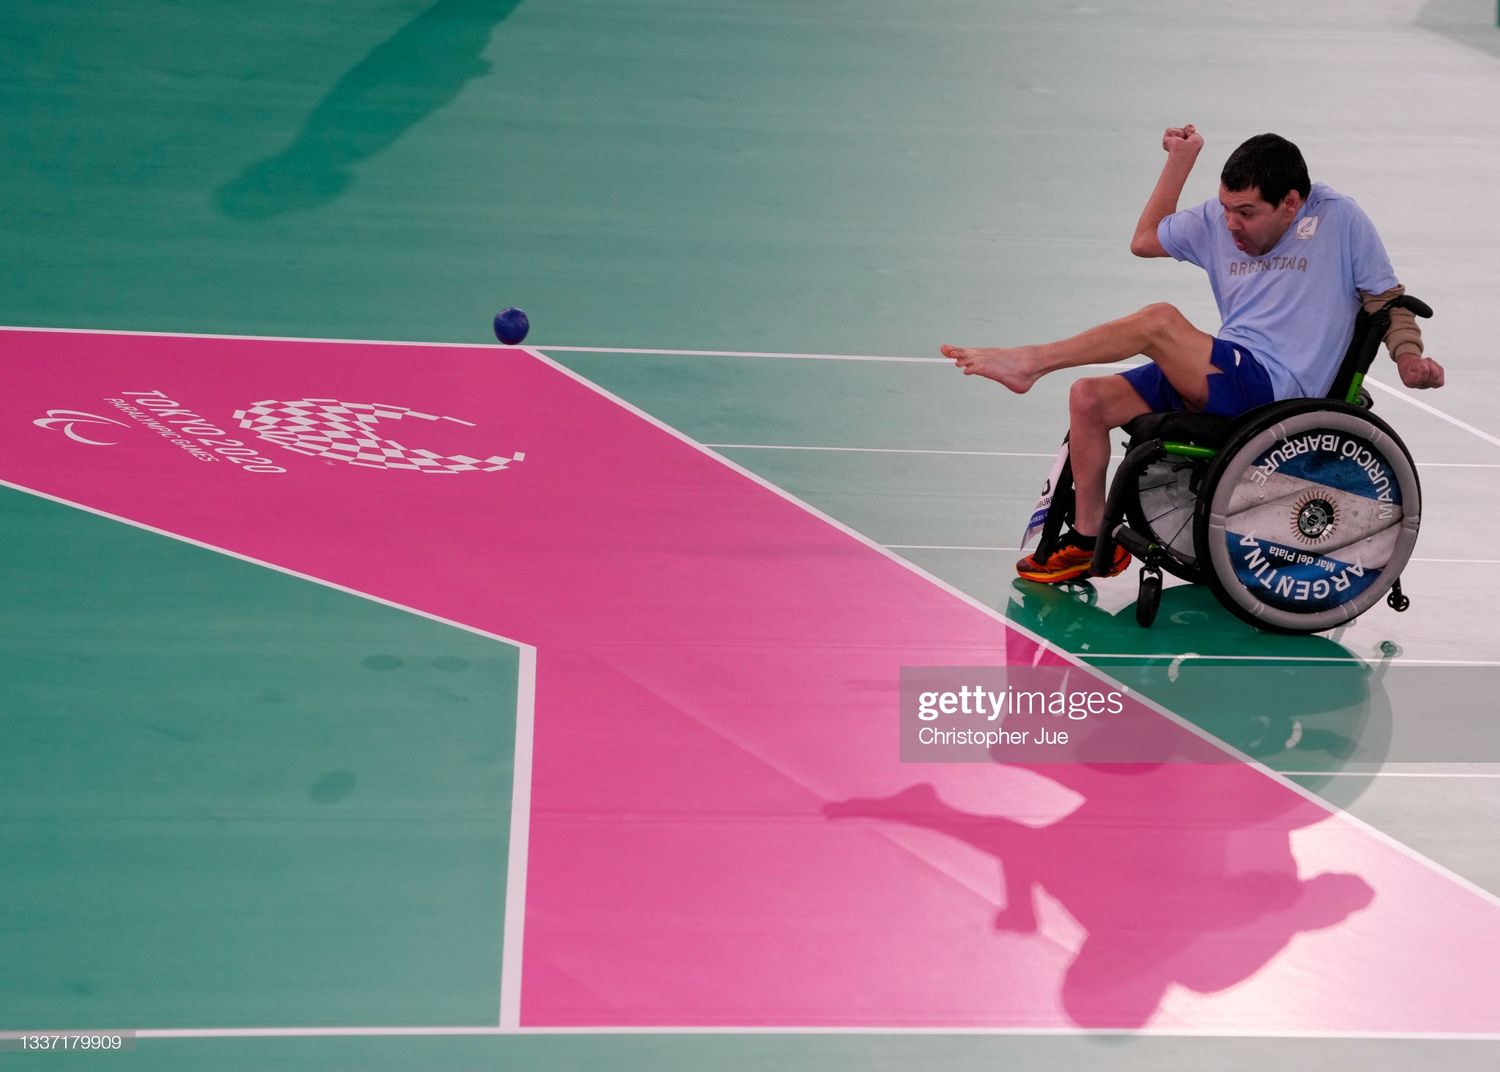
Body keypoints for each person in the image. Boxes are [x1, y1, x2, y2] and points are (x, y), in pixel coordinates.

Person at [941, 126, 1446, 584]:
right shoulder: (1217, 220)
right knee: (1089, 398)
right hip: (1226, 368)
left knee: (1158, 321)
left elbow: (1387, 303)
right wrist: (1182, 160)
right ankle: (1091, 539)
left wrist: (1408, 358)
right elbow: (1144, 241)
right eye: (1226, 208)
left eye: (1246, 213)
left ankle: (1030, 362)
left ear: (1291, 203)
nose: (1231, 224)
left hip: (1278, 390)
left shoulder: (1339, 218)